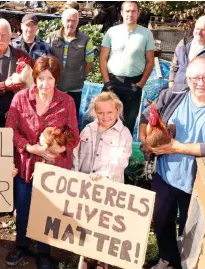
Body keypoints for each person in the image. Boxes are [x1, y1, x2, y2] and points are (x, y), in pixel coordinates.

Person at [139, 56, 205, 269]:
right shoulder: (171, 95)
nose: (200, 82)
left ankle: (185, 263)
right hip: (165, 174)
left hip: (197, 184)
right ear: (186, 78)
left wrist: (175, 147)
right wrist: (147, 142)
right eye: (195, 77)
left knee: (191, 230)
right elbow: (144, 119)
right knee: (161, 220)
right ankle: (167, 259)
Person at [5, 55, 79, 269]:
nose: (45, 84)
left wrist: (59, 149)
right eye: (40, 78)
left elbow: (74, 134)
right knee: (24, 206)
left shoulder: (67, 102)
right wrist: (30, 147)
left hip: (53, 168)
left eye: (50, 78)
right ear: (34, 78)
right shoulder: (20, 98)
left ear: (56, 79)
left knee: (48, 210)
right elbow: (10, 128)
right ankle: (21, 244)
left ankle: (44, 252)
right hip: (26, 164)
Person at [73, 91, 133, 269]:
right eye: (100, 112)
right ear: (94, 112)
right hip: (86, 184)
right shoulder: (88, 129)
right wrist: (75, 173)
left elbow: (121, 160)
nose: (105, 116)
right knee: (86, 221)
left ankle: (102, 261)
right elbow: (76, 153)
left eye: (110, 112)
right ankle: (84, 257)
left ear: (117, 111)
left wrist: (104, 174)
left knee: (104, 225)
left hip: (109, 186)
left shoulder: (124, 134)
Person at [99, 1, 155, 133]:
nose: (130, 14)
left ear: (138, 13)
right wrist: (107, 82)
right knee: (105, 119)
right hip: (113, 82)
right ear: (122, 13)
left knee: (128, 123)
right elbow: (102, 58)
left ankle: (123, 153)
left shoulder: (146, 34)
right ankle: (103, 152)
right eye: (127, 11)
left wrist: (140, 84)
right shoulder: (112, 32)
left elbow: (150, 61)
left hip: (134, 84)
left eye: (133, 11)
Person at [46, 8, 94, 116]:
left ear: (78, 21)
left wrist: (81, 76)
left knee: (71, 116)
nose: (71, 23)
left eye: (74, 20)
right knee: (53, 115)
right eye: (68, 20)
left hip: (75, 87)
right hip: (55, 86)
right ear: (62, 21)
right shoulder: (51, 38)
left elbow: (89, 61)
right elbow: (45, 60)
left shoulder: (86, 40)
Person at [169, 15, 205, 89]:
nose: (199, 32)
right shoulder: (183, 44)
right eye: (197, 28)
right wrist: (171, 85)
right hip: (177, 92)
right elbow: (174, 67)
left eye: (204, 30)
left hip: (200, 97)